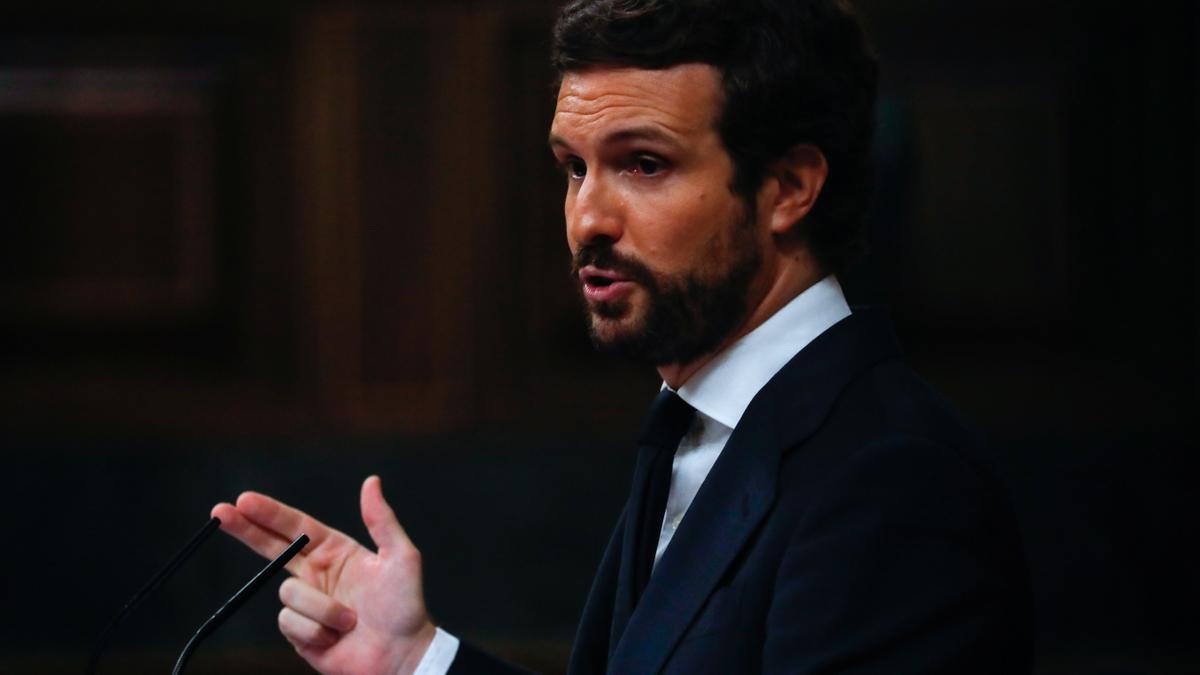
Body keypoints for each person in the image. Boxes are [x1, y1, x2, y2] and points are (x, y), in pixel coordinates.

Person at [212, 0, 1034, 673]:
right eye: (575, 166)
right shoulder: (697, 420)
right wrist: (417, 661)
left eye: (644, 164)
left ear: (788, 188)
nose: (588, 219)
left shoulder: (890, 480)